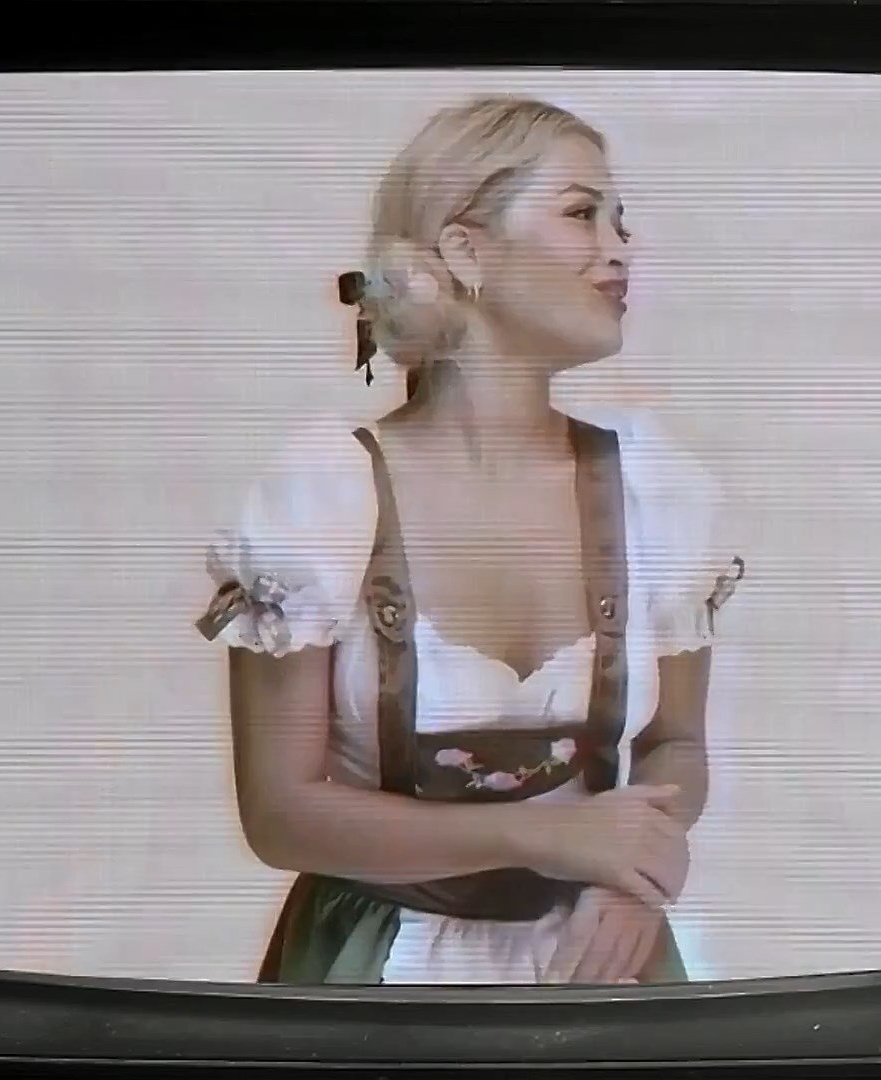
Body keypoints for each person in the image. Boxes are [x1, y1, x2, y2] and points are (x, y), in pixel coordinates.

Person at [197, 96, 744, 985]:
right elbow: (280, 813)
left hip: (601, 968)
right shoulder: (323, 499)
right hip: (380, 973)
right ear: (464, 251)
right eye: (582, 213)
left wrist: (636, 871)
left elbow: (676, 742)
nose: (620, 248)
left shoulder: (658, 492)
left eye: (620, 221)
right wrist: (546, 835)